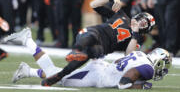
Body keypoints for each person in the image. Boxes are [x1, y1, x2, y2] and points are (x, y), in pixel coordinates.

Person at [3, 0, 156, 86]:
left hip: (99, 52)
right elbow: (93, 4)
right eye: (143, 21)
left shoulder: (136, 38)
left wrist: (135, 33)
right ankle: (74, 55)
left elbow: (129, 54)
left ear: (145, 30)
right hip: (92, 34)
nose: (142, 24)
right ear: (139, 16)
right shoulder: (122, 15)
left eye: (145, 26)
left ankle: (41, 64)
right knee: (89, 41)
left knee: (93, 52)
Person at [4, 27, 171, 89]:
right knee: (55, 75)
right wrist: (131, 85)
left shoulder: (140, 54)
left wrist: (137, 83)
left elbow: (123, 61)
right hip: (97, 75)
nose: (162, 69)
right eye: (163, 65)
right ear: (157, 61)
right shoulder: (148, 69)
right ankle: (28, 40)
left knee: (57, 73)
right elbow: (129, 77)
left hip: (102, 68)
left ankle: (28, 71)